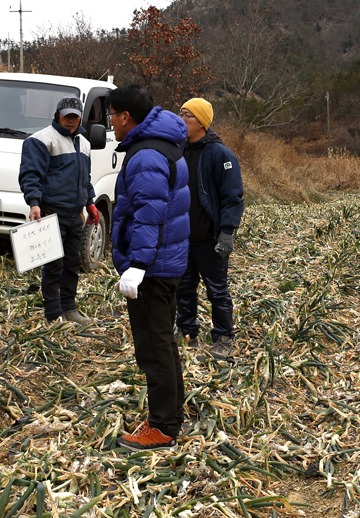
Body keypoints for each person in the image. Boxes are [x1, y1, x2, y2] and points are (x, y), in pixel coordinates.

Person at [109, 84, 191, 450]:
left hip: (154, 267)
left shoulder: (145, 155)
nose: (111, 124)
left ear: (126, 116)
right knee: (164, 342)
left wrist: (138, 265)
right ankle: (171, 414)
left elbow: (149, 213)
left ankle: (162, 428)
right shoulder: (164, 144)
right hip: (167, 261)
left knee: (153, 346)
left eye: (112, 116)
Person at [18, 97, 100, 325]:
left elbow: (85, 179)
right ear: (58, 115)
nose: (70, 121)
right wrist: (34, 203)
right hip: (51, 212)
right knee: (54, 265)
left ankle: (69, 307)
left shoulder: (84, 143)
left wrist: (90, 202)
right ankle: (53, 313)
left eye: (75, 117)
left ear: (80, 118)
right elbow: (30, 175)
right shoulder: (41, 140)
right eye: (67, 116)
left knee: (72, 263)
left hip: (75, 214)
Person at [175, 98, 244, 360]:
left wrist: (227, 232)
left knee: (217, 290)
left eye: (188, 115)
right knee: (183, 289)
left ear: (202, 122)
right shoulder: (178, 151)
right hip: (183, 237)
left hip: (209, 238)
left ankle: (224, 337)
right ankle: (187, 334)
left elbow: (233, 197)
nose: (182, 120)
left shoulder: (221, 155)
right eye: (181, 114)